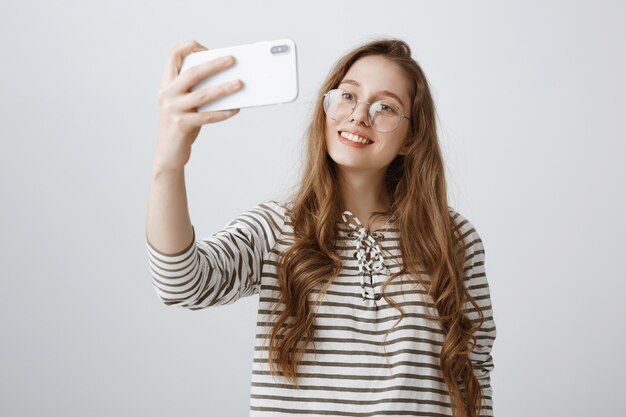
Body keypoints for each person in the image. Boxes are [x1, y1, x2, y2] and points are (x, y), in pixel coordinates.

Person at [146, 37, 496, 417]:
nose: (359, 115)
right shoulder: (278, 226)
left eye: (386, 107)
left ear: (411, 137)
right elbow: (179, 283)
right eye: (348, 95)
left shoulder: (454, 240)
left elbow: (472, 376)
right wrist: (168, 163)